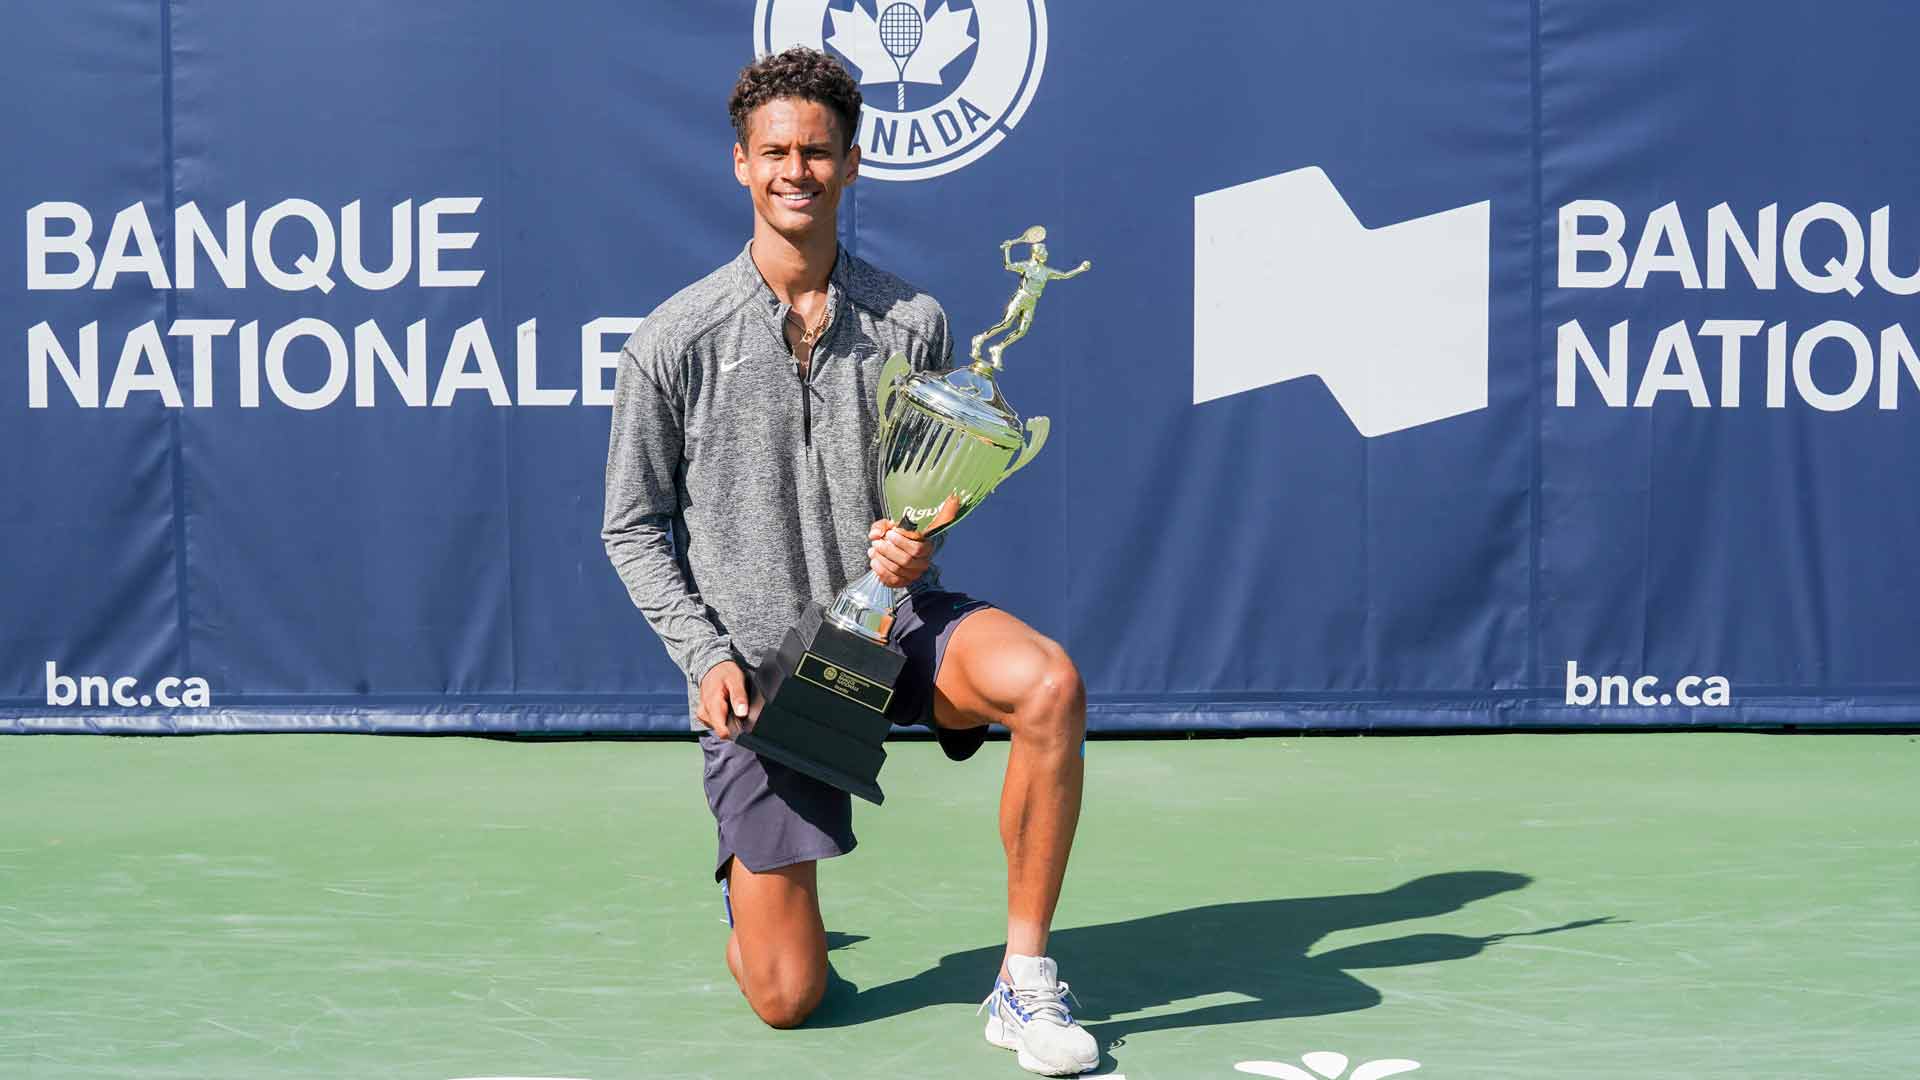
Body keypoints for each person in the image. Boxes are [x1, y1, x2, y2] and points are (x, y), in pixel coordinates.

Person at [601, 47, 1097, 1077]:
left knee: (1048, 684)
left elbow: (934, 488)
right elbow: (632, 527)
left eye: (817, 152)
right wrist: (705, 658)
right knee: (789, 998)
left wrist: (919, 547)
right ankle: (754, 883)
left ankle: (1023, 978)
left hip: (897, 627)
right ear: (740, 163)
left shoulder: (913, 321)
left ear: (853, 164)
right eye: (775, 151)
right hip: (768, 674)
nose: (797, 171)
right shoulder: (673, 340)